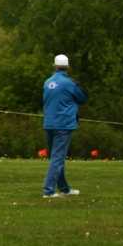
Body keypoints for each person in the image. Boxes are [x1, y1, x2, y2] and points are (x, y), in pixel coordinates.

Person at [42, 54, 87, 198]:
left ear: (54, 66)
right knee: (58, 159)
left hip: (49, 123)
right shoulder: (69, 83)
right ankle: (48, 191)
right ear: (67, 67)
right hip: (63, 125)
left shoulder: (47, 82)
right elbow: (82, 98)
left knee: (55, 158)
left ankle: (64, 189)